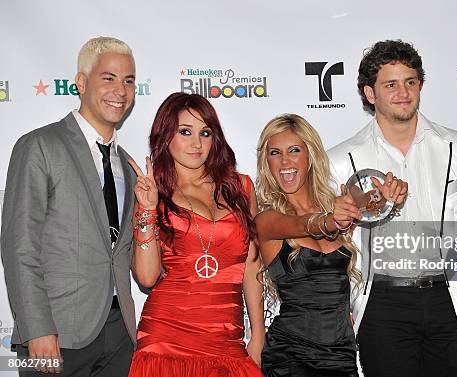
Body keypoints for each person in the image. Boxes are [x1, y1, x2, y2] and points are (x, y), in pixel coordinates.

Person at [327, 39, 457, 376]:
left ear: (421, 86)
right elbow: (333, 239)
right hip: (382, 303)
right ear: (370, 93)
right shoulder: (342, 159)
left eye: (410, 82)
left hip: (449, 297)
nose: (403, 92)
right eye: (391, 84)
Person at [1, 36, 137, 375]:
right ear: (80, 82)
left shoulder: (128, 166)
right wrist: (37, 329)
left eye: (129, 81)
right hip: (53, 334)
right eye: (109, 78)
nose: (120, 90)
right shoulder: (39, 146)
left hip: (119, 336)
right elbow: (19, 246)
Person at [255, 113, 407, 376]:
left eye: (294, 150)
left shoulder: (339, 205)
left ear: (310, 155)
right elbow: (306, 225)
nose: (284, 161)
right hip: (290, 356)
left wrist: (392, 193)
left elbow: (375, 200)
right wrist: (329, 221)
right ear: (266, 161)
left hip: (341, 355)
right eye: (274, 153)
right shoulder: (267, 219)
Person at [126, 92, 264, 377]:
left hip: (227, 340)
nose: (197, 143)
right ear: (165, 136)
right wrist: (147, 210)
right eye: (185, 132)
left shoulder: (241, 188)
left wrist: (258, 339)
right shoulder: (154, 193)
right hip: (167, 339)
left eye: (205, 133)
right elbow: (147, 277)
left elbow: (251, 268)